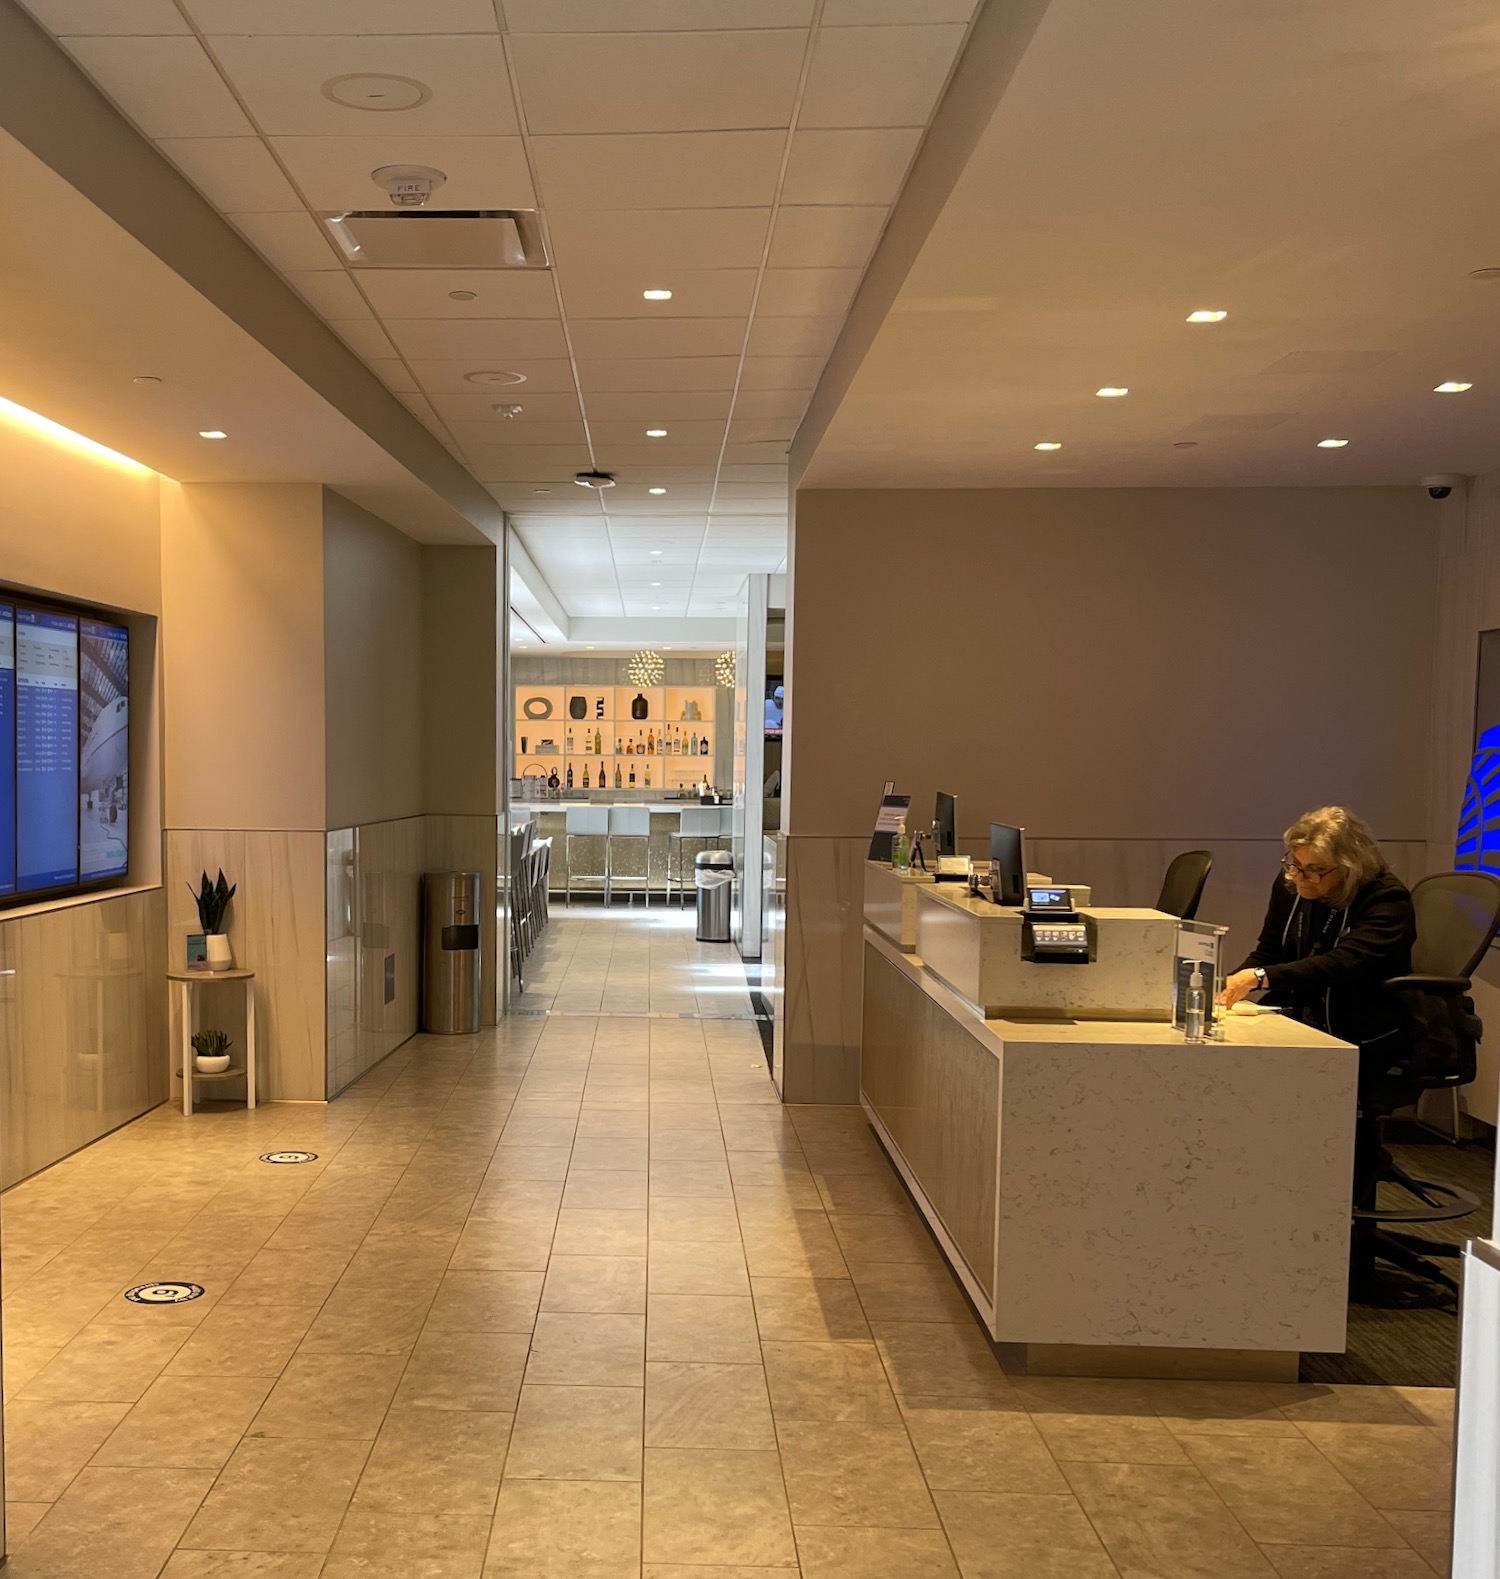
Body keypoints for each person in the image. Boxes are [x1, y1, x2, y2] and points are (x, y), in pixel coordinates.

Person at [1221, 806, 1415, 1053]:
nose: (1300, 876)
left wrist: (1258, 977)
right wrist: (1231, 983)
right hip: (1302, 1015)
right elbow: (1270, 950)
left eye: (1316, 869)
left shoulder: (1386, 898)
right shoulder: (1291, 883)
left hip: (1363, 1029)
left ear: (1350, 867)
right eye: (1296, 863)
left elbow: (1344, 963)